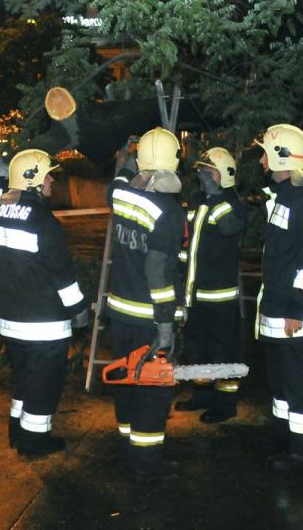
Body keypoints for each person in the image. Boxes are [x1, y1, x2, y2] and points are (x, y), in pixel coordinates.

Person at [0, 149, 88, 458]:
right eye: (47, 175)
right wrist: (80, 312)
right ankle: (34, 442)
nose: (53, 180)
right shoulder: (44, 222)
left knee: (24, 380)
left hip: (11, 321)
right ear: (33, 182)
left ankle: (17, 432)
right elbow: (63, 277)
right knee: (44, 385)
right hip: (45, 325)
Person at [103, 128, 186, 481]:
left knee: (126, 381)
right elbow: (157, 272)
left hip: (119, 313)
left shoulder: (122, 196)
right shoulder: (168, 212)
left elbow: (114, 187)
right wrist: (166, 325)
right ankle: (147, 466)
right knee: (152, 391)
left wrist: (123, 165)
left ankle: (127, 446)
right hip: (150, 320)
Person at [255, 123, 303, 472]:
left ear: (281, 157)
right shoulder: (287, 197)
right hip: (284, 314)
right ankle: (288, 436)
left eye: (265, 153)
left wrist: (296, 310)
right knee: (284, 380)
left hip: (298, 318)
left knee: (301, 383)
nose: (260, 160)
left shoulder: (301, 201)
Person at [175, 147, 247, 423]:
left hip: (220, 298)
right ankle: (202, 395)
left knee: (223, 352)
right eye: (202, 170)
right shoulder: (197, 201)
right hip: (195, 295)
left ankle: (225, 404)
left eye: (208, 171)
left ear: (222, 175)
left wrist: (217, 195)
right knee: (197, 349)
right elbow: (188, 244)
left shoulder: (230, 202)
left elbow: (231, 227)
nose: (203, 175)